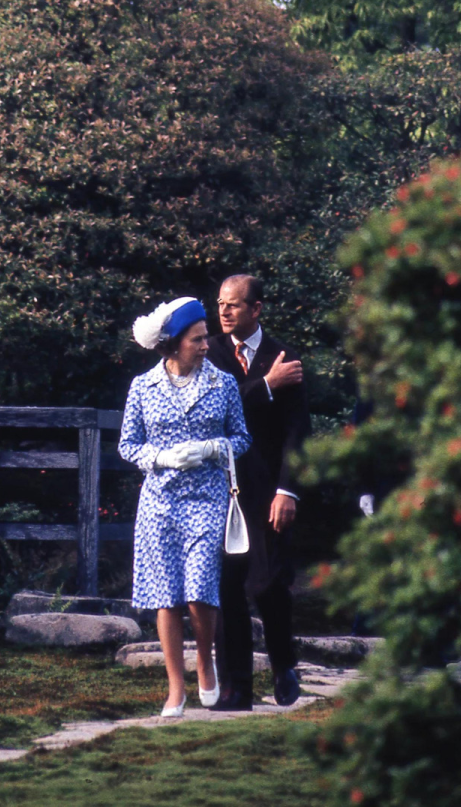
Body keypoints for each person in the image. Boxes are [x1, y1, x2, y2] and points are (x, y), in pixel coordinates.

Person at [119, 296, 251, 717]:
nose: (206, 345)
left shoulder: (223, 383)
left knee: (199, 589)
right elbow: (128, 445)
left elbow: (242, 438)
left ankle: (205, 662)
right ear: (173, 344)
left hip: (208, 498)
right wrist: (159, 457)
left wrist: (214, 448)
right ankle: (176, 687)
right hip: (160, 502)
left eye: (204, 338)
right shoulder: (143, 386)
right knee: (166, 596)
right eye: (197, 339)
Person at [206, 274, 311, 710]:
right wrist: (267, 385)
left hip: (269, 487)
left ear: (256, 309)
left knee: (268, 584)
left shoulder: (284, 357)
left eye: (233, 304)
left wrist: (288, 490)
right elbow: (217, 407)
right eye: (220, 304)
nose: (225, 311)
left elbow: (297, 432)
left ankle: (284, 662)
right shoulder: (208, 352)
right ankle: (236, 689)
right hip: (222, 487)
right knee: (228, 586)